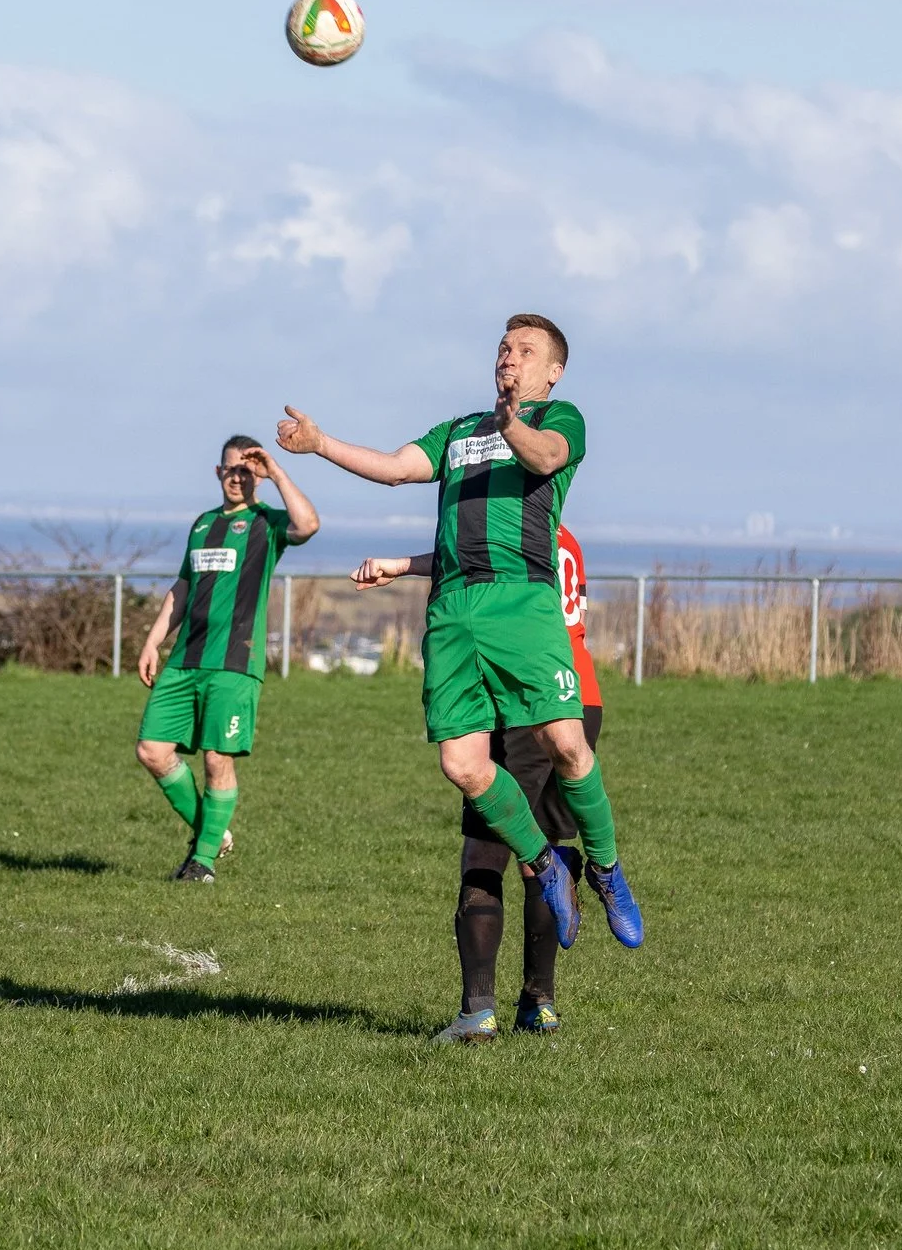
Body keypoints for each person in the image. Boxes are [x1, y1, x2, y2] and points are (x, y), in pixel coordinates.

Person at [279, 312, 641, 1044]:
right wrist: (320, 446)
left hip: (521, 599)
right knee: (461, 763)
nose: (509, 356)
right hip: (453, 608)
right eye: (504, 346)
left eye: (526, 350)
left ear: (553, 370)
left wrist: (512, 423)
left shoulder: (558, 418)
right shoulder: (459, 430)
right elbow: (394, 466)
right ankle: (545, 865)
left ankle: (604, 867)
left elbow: (543, 458)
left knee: (567, 743)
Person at [354, 521, 603, 1038]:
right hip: (579, 697)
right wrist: (402, 566)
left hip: (522, 701)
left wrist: (401, 566)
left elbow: (471, 562)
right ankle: (540, 1004)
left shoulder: (509, 528)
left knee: (487, 853)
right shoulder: (560, 536)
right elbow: (464, 557)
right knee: (549, 849)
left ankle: (478, 1011)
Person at [133, 436, 319, 881]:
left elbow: (308, 524)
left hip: (236, 662)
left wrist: (276, 471)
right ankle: (212, 833)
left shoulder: (266, 523)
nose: (237, 477)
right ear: (218, 473)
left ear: (257, 476)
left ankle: (202, 862)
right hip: (184, 660)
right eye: (230, 469)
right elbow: (182, 588)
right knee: (152, 750)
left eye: (247, 470)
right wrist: (153, 641)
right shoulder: (202, 524)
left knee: (218, 759)